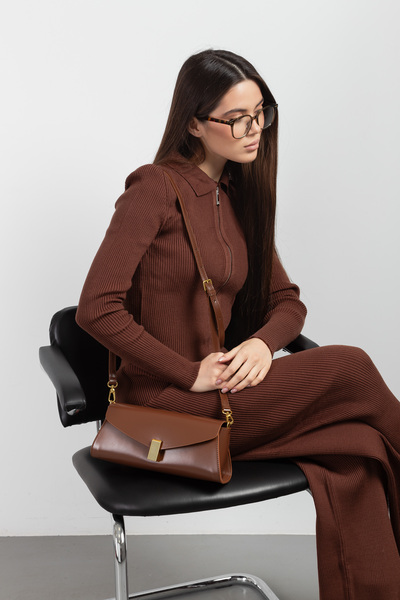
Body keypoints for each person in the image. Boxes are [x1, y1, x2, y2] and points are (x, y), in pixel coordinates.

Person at [76, 49, 400, 599]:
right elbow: (96, 308)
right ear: (194, 124)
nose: (254, 131)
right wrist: (189, 373)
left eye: (259, 114)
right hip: (166, 409)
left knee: (358, 447)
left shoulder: (235, 195)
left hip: (225, 393)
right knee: (352, 366)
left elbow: (287, 302)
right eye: (236, 119)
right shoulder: (153, 190)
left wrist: (261, 344)